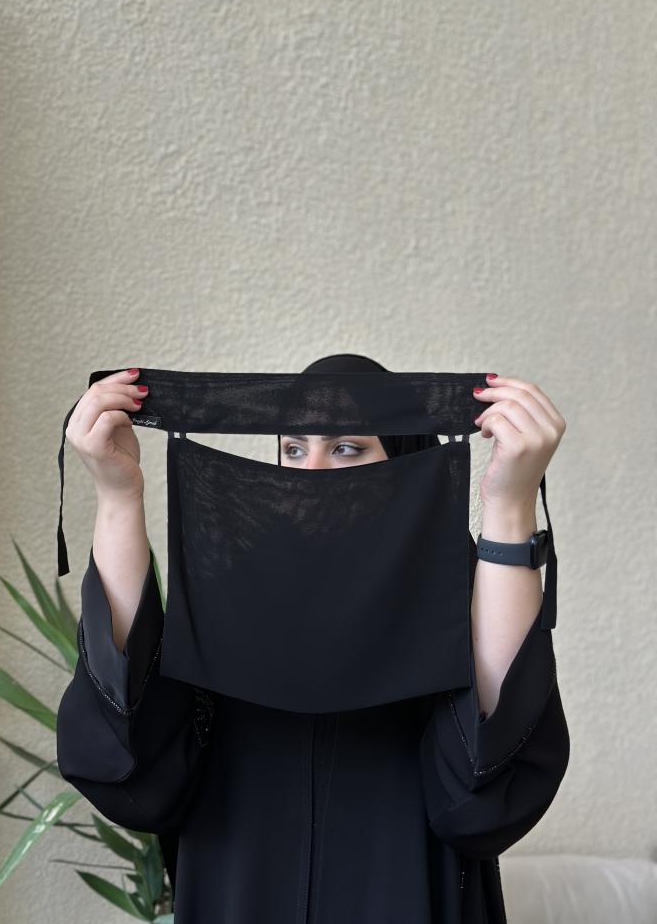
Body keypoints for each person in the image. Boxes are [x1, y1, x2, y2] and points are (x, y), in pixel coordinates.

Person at [56, 353, 570, 924]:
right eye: (294, 449)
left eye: (346, 448)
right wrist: (118, 496)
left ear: (407, 458)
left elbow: (486, 786)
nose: (312, 472)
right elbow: (135, 762)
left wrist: (510, 504)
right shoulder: (232, 591)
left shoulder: (460, 590)